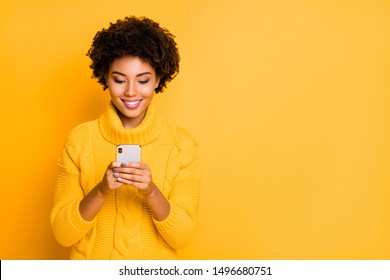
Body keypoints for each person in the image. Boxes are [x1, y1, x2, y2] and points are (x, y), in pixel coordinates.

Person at [50, 16, 200, 260]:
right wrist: (101, 190)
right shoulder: (80, 140)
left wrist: (151, 191)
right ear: (105, 78)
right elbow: (63, 234)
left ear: (158, 80)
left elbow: (182, 237)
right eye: (119, 80)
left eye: (143, 80)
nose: (131, 91)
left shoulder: (181, 144)